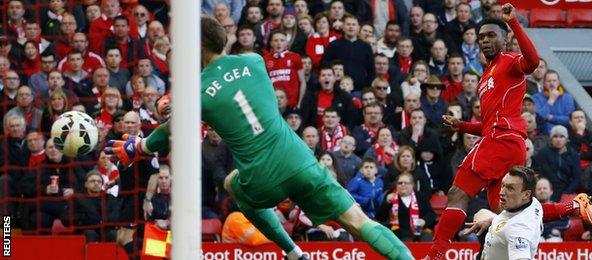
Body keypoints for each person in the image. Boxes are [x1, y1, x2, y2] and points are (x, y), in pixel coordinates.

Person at [106, 16, 414, 260]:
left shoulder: (195, 92)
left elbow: (170, 130)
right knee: (359, 222)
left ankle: (292, 251)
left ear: (195, 46)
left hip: (261, 179)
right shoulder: (254, 60)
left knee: (231, 183)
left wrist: (139, 145)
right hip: (299, 161)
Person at [426, 4, 592, 258]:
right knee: (507, 209)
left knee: (457, 193)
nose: (485, 41)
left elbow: (532, 62)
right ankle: (574, 206)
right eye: (482, 37)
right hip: (505, 142)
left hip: (500, 140)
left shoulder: (508, 61)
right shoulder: (487, 74)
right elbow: (489, 123)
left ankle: (437, 253)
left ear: (506, 39)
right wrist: (462, 126)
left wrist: (515, 23)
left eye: (491, 36)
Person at [465, 166, 542, 260]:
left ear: (526, 194)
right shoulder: (534, 203)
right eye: (503, 185)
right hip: (495, 242)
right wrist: (492, 220)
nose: (501, 192)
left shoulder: (517, 230)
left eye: (510, 188)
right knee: (482, 213)